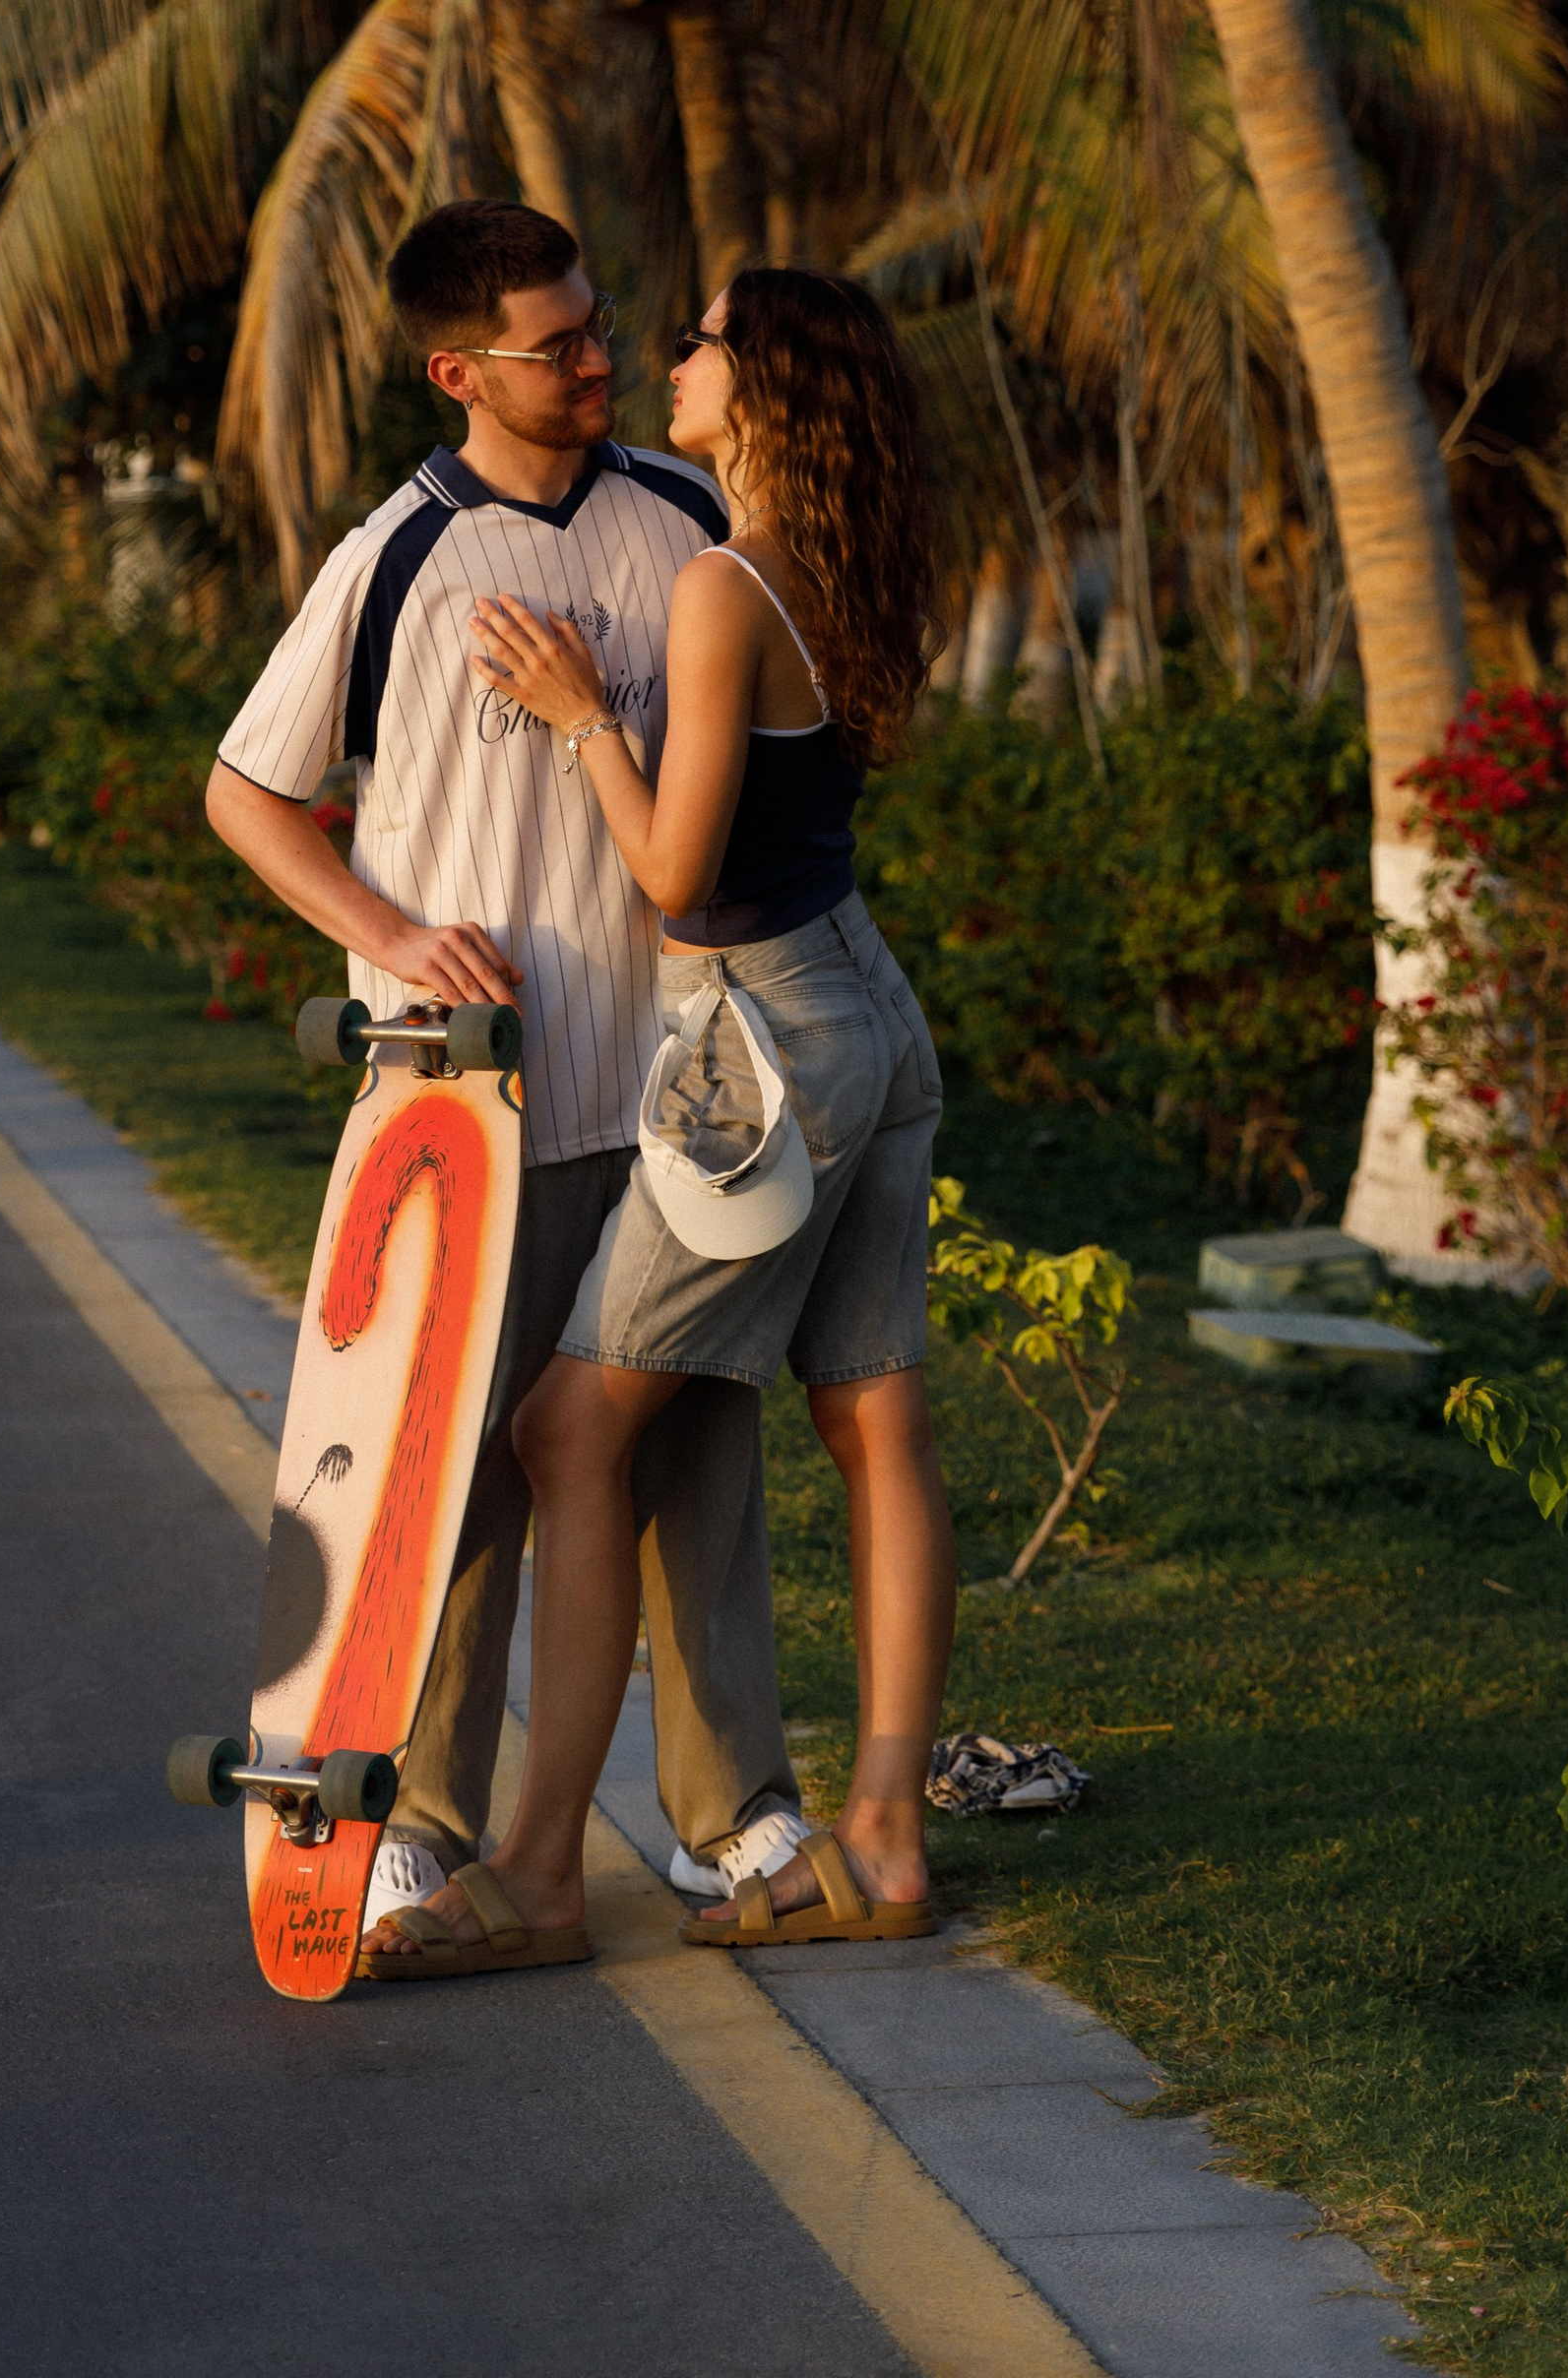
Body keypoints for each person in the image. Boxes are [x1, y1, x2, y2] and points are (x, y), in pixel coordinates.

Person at [206, 203, 805, 1934]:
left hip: (680, 1080)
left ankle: (732, 1813)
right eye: (560, 344)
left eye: (605, 325)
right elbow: (250, 791)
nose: (602, 358)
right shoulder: (394, 555)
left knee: (699, 1451)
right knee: (454, 1472)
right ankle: (429, 1818)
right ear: (462, 370)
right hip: (471, 1106)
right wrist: (390, 938)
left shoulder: (685, 520)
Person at [365, 263, 953, 1978]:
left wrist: (577, 725)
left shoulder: (721, 582)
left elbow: (676, 873)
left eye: (698, 339)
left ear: (757, 388)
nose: (669, 362)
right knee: (877, 1431)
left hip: (755, 1035)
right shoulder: (848, 560)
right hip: (867, 1005)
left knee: (563, 1432)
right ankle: (885, 1843)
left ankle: (542, 1869)